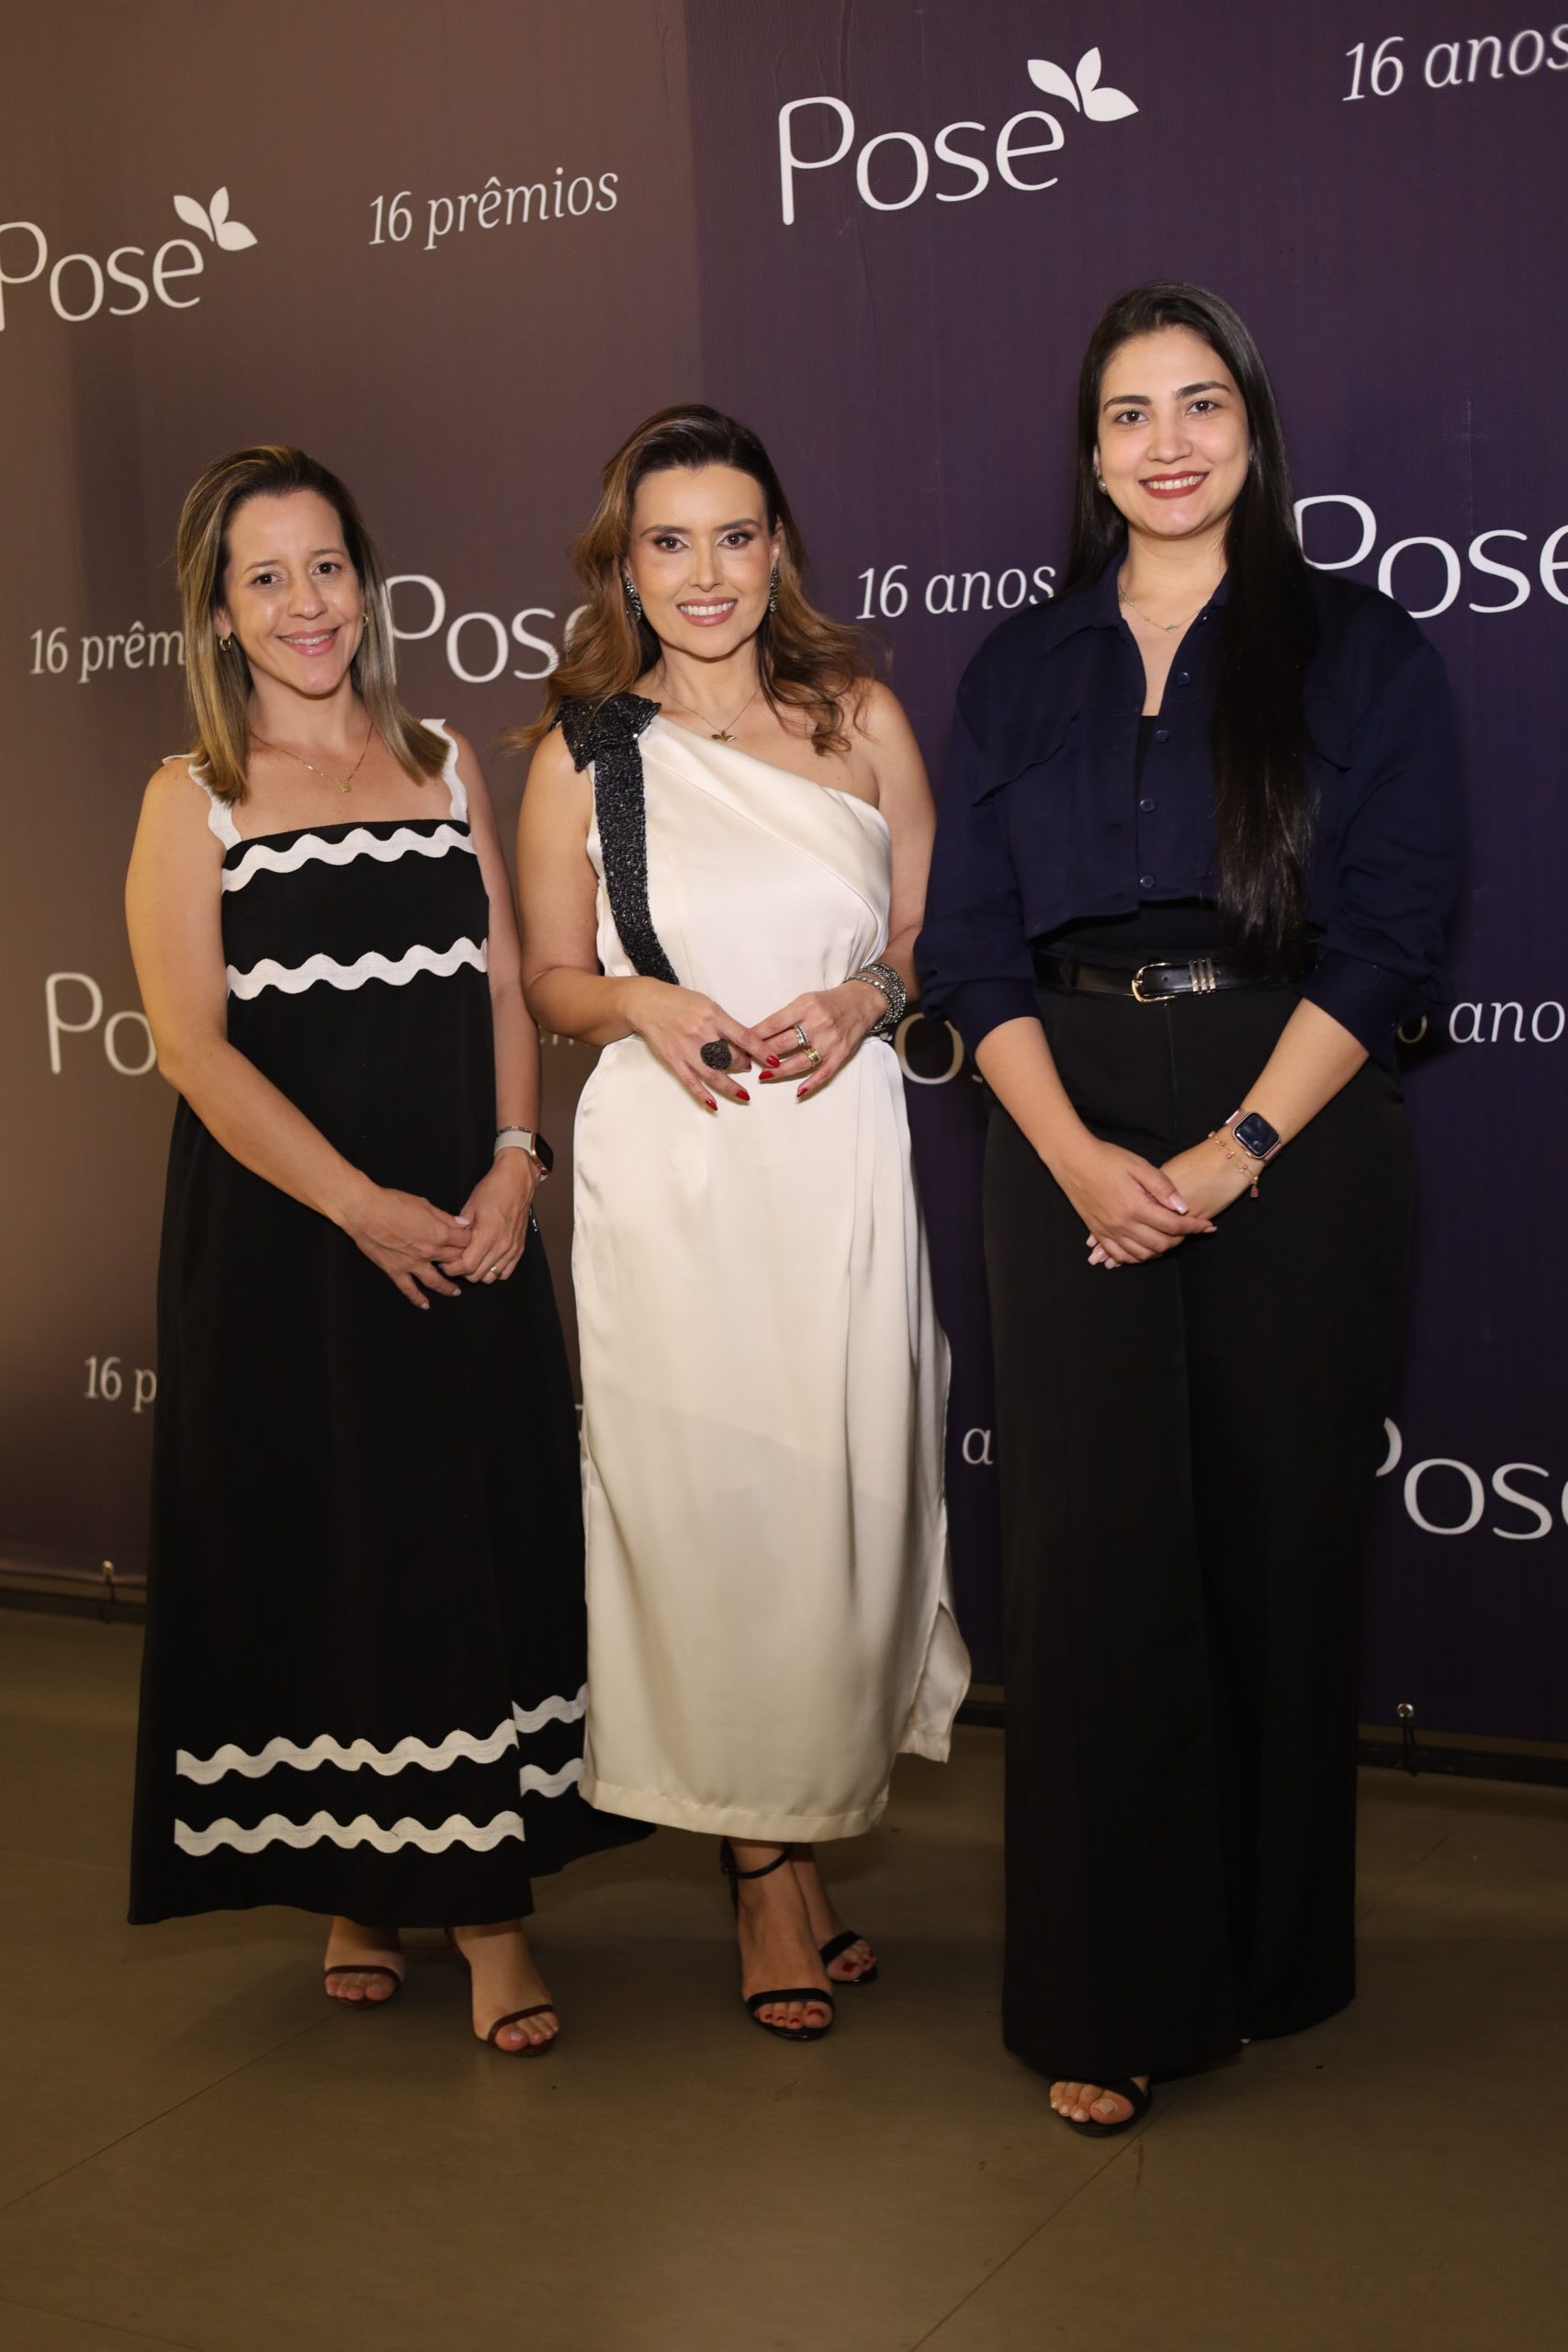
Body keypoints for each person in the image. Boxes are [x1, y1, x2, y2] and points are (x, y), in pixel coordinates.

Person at [917, 284, 1462, 2131]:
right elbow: (967, 945)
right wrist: (1074, 1153)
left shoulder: (1359, 649)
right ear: (1089, 453)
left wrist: (1234, 1149)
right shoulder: (1017, 668)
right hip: (1060, 1115)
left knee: (1276, 1541)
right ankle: (1112, 1989)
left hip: (1290, 1116)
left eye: (1200, 403)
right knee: (1088, 1565)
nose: (1167, 442)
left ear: (1249, 428)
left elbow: (1392, 933)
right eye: (1130, 412)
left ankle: (1269, 1948)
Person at [127, 445, 643, 2054]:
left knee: (460, 1547)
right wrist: (357, 1206)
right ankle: (368, 1881)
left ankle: (487, 1912)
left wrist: (516, 1164)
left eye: (328, 566)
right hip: (291, 1246)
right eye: (266, 577)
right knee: (338, 1552)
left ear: (367, 582)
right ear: (220, 613)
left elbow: (502, 988)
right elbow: (193, 1050)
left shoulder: (439, 761)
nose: (307, 604)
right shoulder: (189, 797)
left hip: (467, 1225)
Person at [514, 405, 968, 2041]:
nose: (704, 574)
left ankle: (800, 1830)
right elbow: (549, 979)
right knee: (717, 1518)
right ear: (623, 565)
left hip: (839, 1156)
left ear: (777, 549)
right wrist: (640, 1001)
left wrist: (865, 999)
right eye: (669, 542)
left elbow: (929, 934)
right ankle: (763, 1879)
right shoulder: (583, 750)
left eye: (733, 535)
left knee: (839, 1508)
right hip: (680, 1174)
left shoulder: (859, 718)